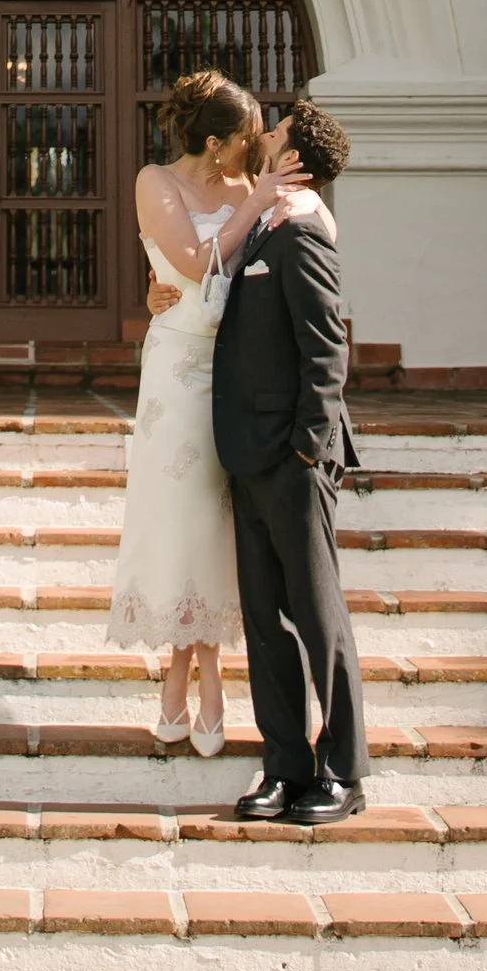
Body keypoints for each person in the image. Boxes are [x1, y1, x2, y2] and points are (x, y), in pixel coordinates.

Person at [104, 72, 305, 750]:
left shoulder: (250, 186)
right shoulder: (155, 181)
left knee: (222, 519)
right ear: (215, 142)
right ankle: (194, 672)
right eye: (246, 136)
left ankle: (198, 670)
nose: (254, 146)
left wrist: (264, 194)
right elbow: (192, 264)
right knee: (180, 513)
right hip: (177, 370)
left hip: (236, 366)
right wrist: (254, 206)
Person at [208, 96, 367, 825]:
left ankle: (343, 773)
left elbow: (327, 349)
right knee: (265, 622)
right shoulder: (268, 223)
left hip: (293, 457)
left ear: (294, 156)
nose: (263, 135)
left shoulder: (303, 233)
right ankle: (283, 766)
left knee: (316, 614)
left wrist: (308, 445)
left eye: (275, 131)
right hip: (249, 451)